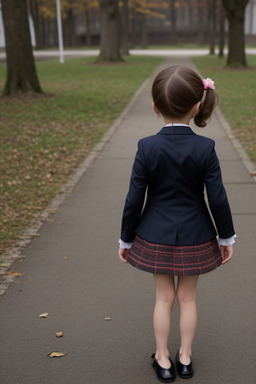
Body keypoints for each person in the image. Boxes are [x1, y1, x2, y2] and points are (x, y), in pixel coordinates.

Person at [118, 65, 236, 383]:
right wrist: (226, 238)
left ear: (155, 106)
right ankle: (184, 357)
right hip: (197, 235)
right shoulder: (205, 148)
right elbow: (218, 199)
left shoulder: (146, 147)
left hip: (154, 234)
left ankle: (163, 360)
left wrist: (125, 240)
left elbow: (134, 200)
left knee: (163, 299)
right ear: (198, 105)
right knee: (187, 299)